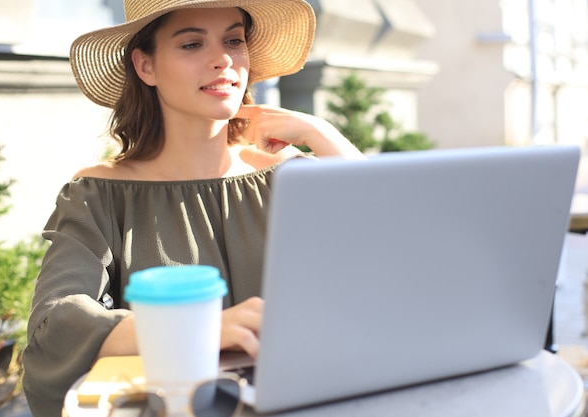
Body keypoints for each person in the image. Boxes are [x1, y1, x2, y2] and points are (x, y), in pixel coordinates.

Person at [22, 0, 365, 415]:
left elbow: (404, 257)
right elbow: (55, 323)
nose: (222, 59)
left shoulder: (293, 179)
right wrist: (192, 331)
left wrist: (321, 133)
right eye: (191, 44)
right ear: (145, 66)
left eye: (234, 41)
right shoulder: (99, 195)